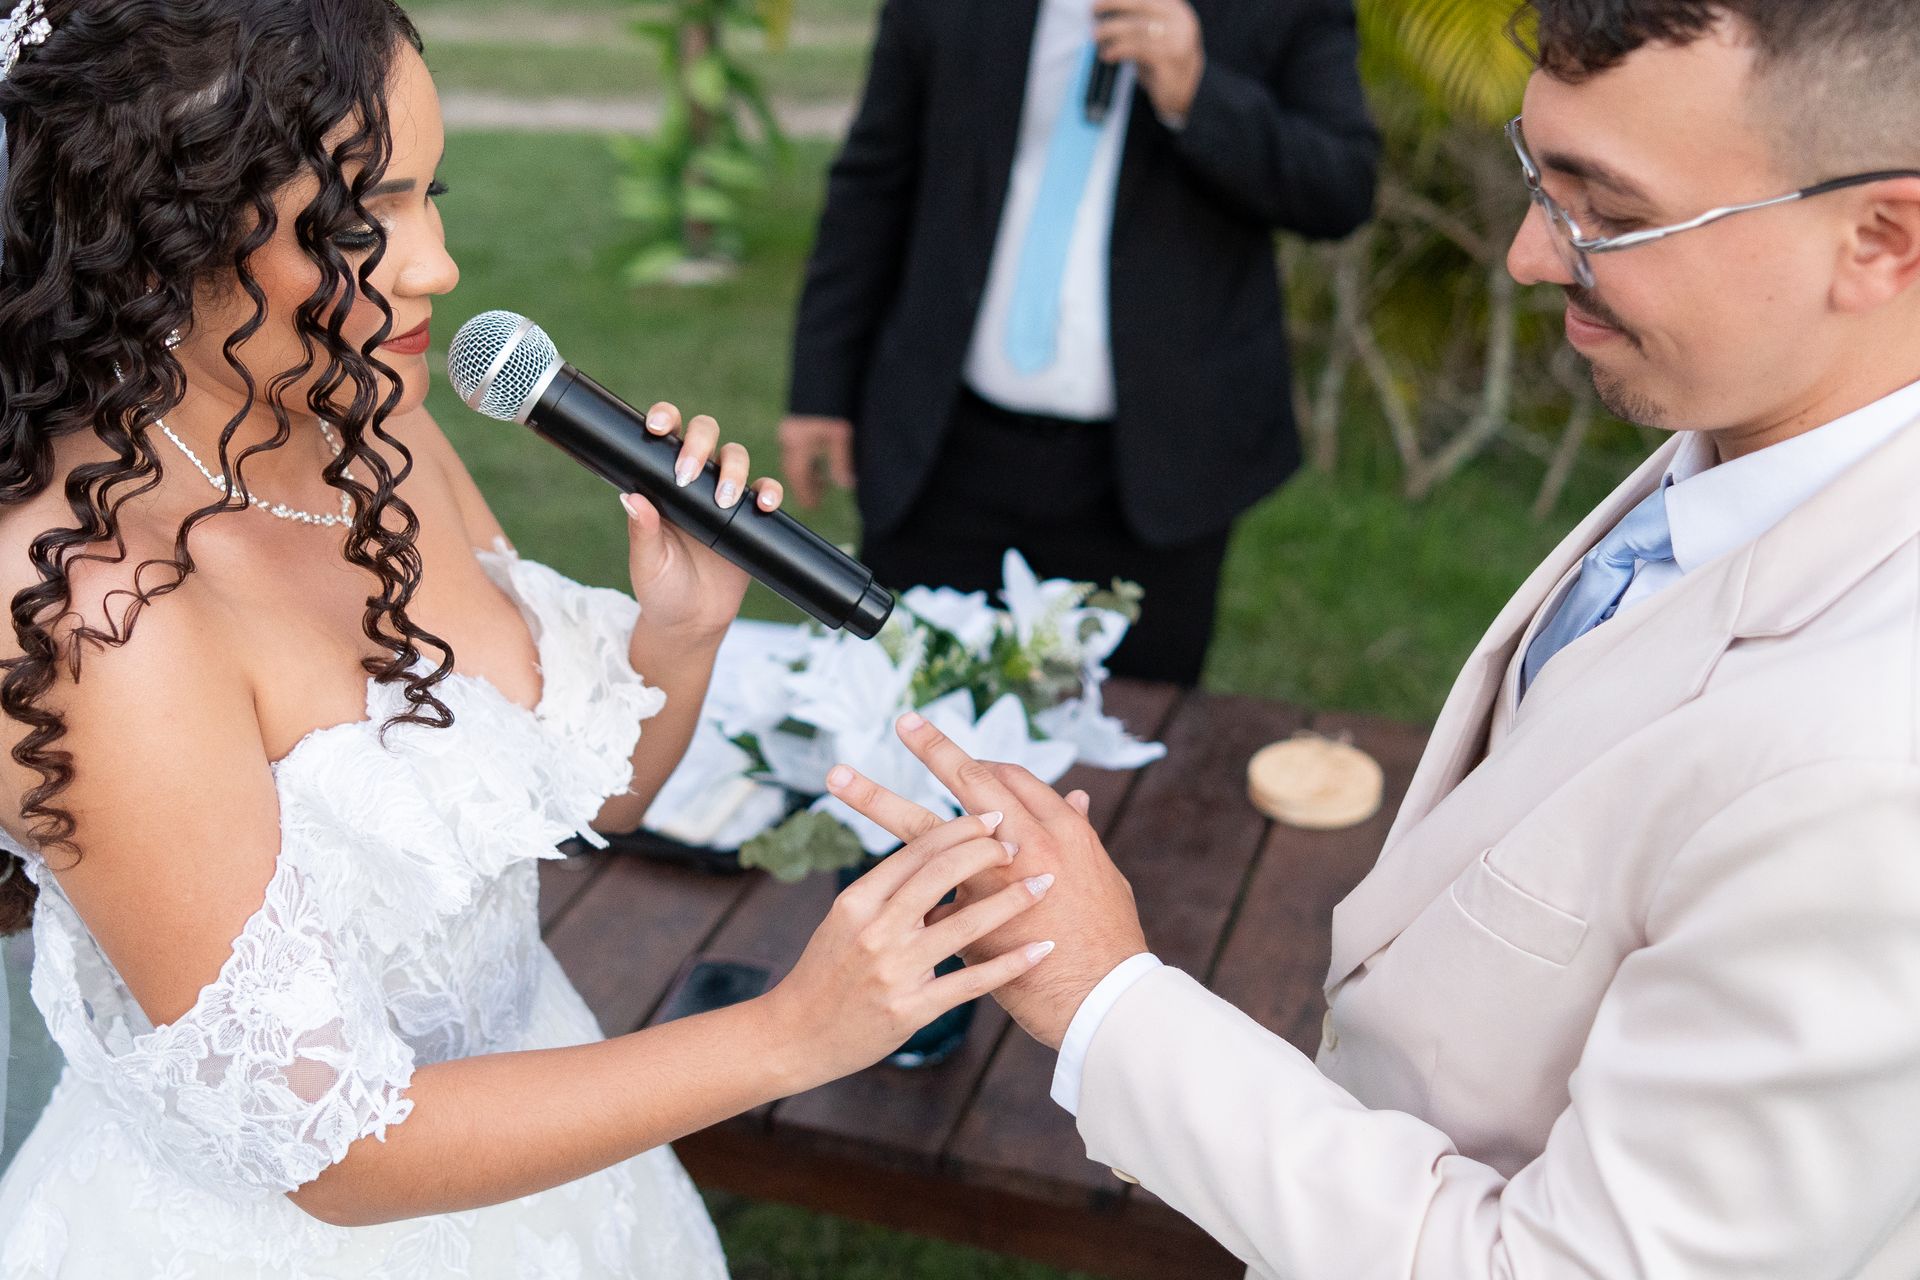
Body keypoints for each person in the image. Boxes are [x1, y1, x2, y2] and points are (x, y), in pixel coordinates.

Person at [822, 0, 1920, 1274]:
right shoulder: (1748, 440)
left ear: (1881, 238)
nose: (1525, 255)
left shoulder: (1869, 769)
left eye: (1608, 214)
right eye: (1539, 179)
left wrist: (1106, 997)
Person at [0, 3, 1056, 1274]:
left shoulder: (369, 428)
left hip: (553, 1154)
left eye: (429, 193)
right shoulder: (91, 617)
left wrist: (680, 629)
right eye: (362, 216)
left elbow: (580, 808)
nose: (436, 264)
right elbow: (336, 1153)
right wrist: (795, 1032)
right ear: (162, 226)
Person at [780, 0, 1378, 686]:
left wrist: (1199, 93)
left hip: (1157, 468)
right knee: (905, 703)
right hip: (944, 447)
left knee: (1121, 747)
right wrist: (820, 388)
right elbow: (874, 180)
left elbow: (1342, 189)